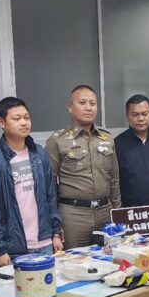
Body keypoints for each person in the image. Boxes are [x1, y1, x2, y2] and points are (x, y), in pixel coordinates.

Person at [0, 97, 63, 265]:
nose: (24, 122)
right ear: (1, 122)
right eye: (17, 119)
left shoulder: (39, 154)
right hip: (13, 247)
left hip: (45, 242)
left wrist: (56, 233)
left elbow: (50, 196)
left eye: (26, 117)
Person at [45, 85, 121, 249]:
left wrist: (117, 213)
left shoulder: (107, 138)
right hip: (73, 216)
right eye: (82, 103)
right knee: (73, 260)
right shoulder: (58, 140)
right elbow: (49, 186)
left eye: (92, 103)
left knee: (109, 258)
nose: (88, 107)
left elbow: (114, 180)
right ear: (70, 107)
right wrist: (55, 226)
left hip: (105, 213)